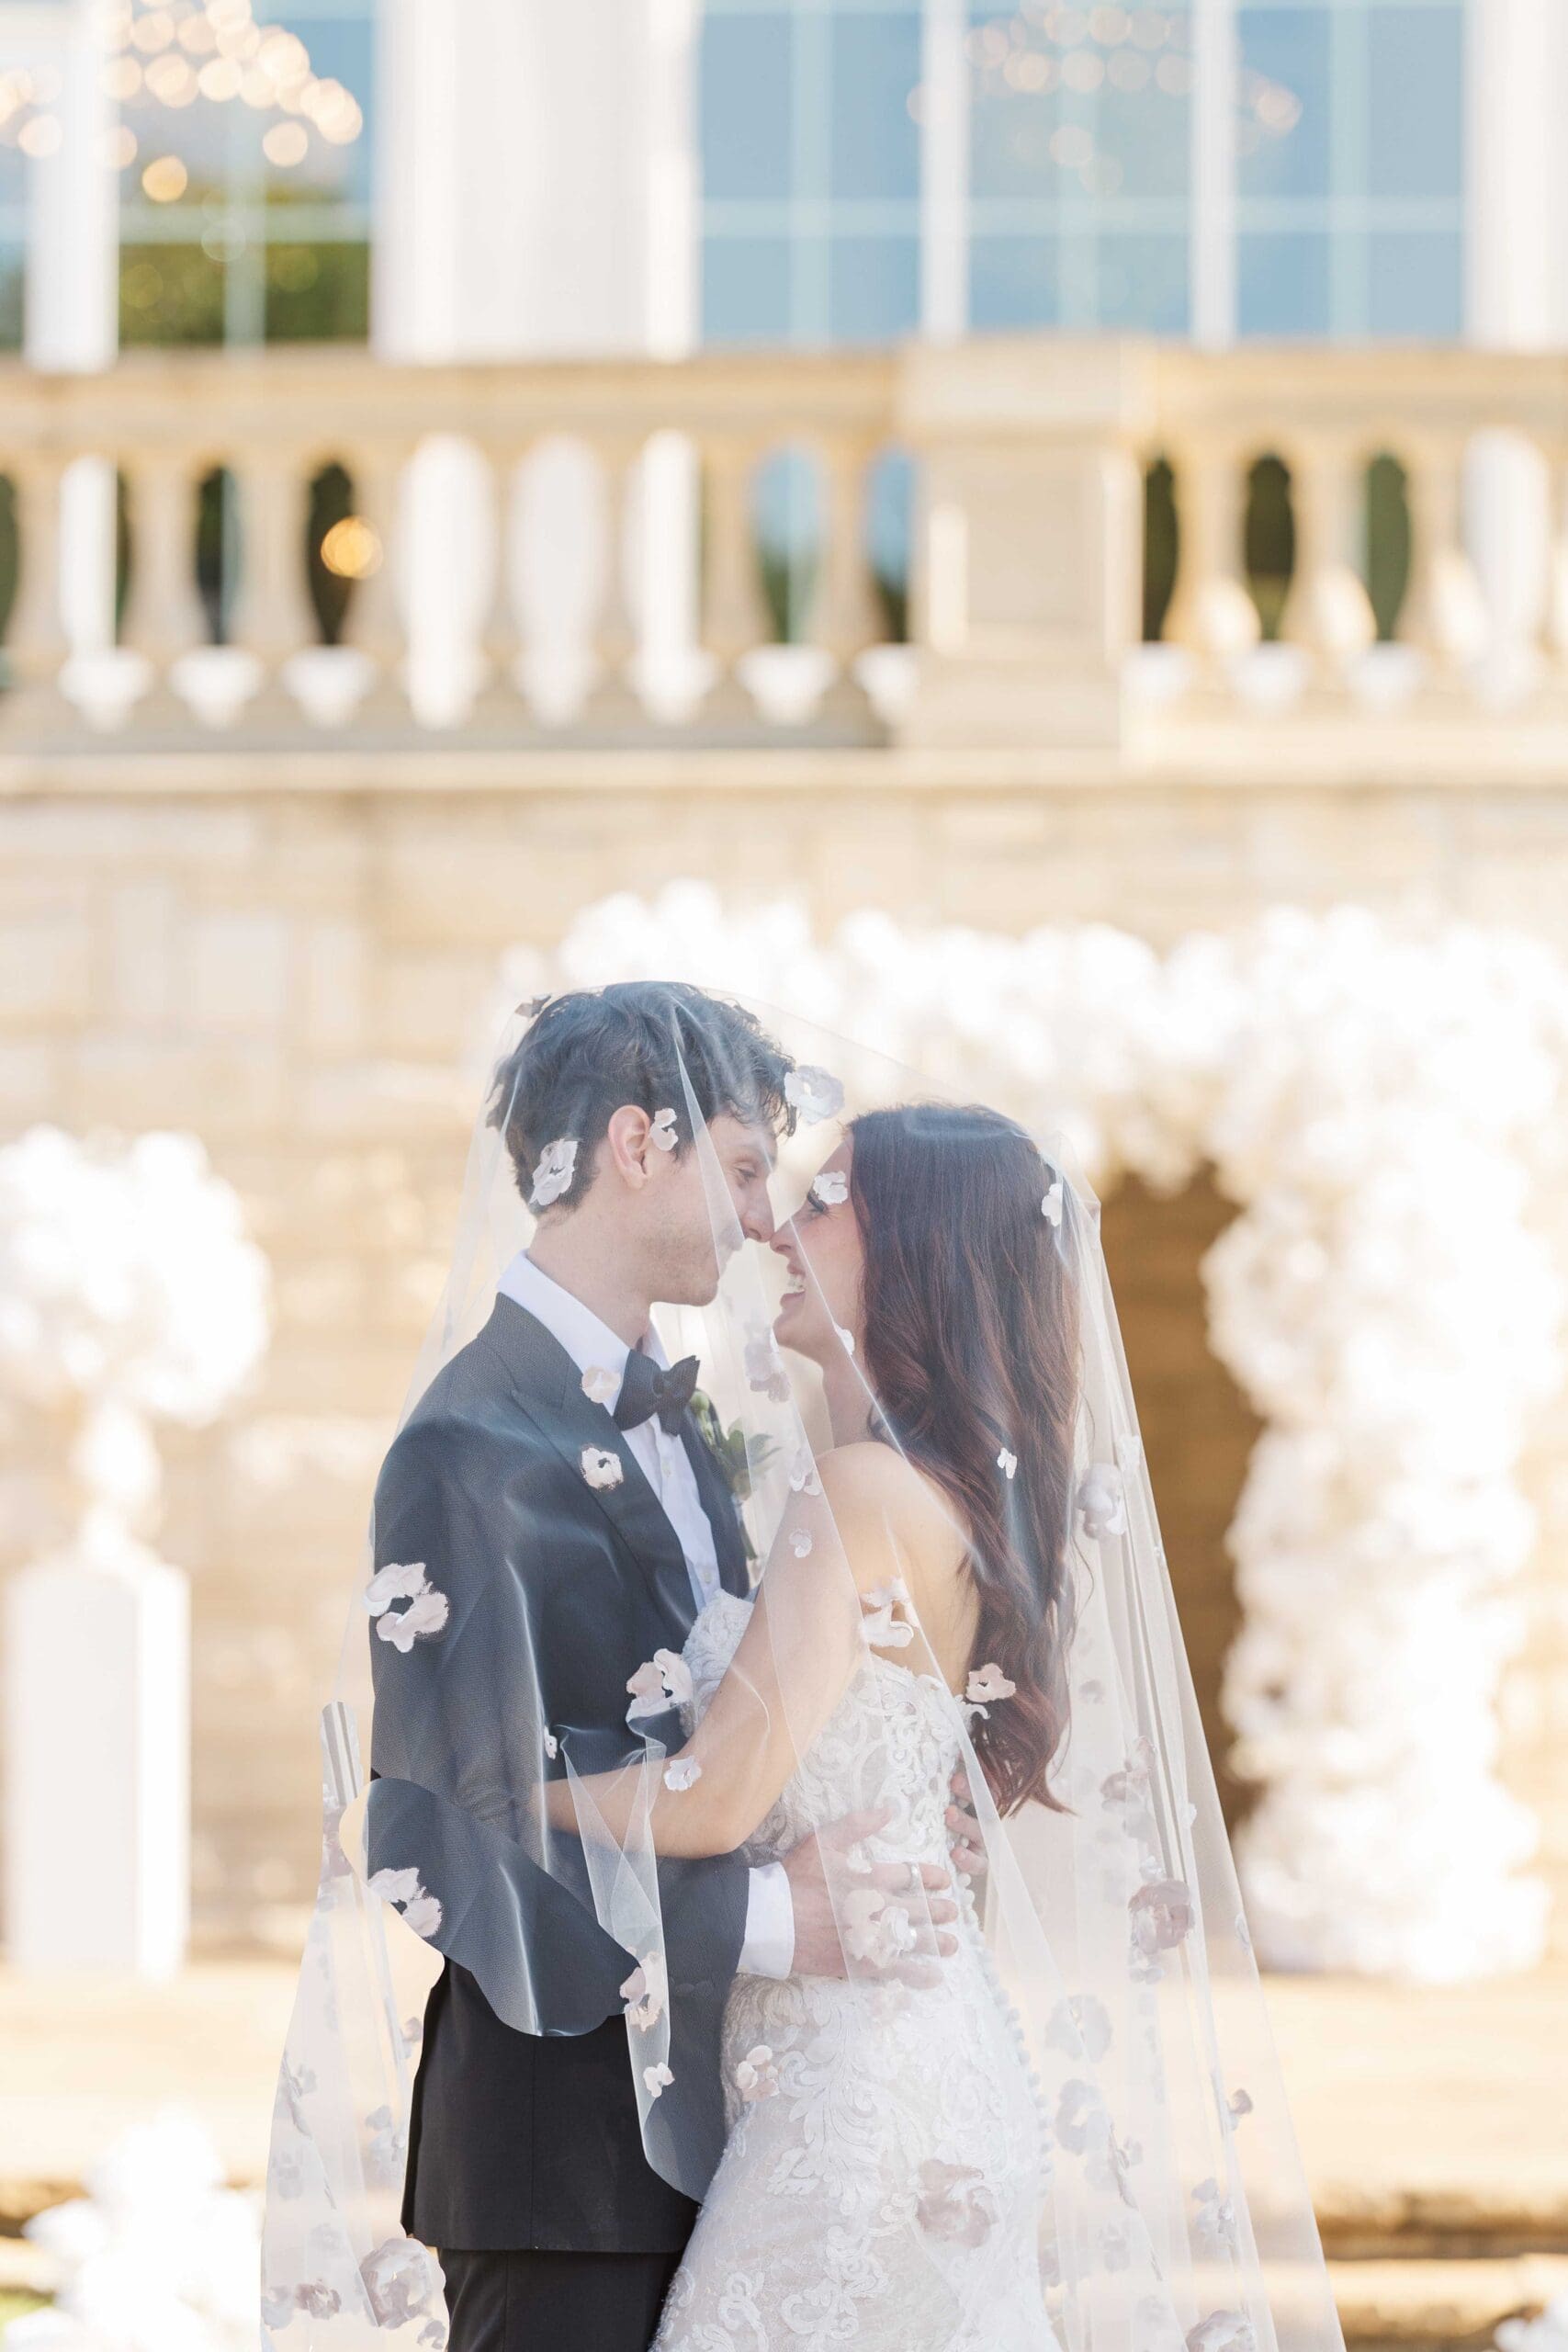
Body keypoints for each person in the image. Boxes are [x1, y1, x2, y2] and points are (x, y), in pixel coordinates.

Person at [362, 987, 962, 2352]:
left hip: (741, 2137)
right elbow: (431, 1835)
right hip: (562, 2163)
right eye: (744, 1169)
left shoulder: (683, 1422)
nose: (762, 1218)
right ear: (638, 1145)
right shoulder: (463, 1450)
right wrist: (774, 1920)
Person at [546, 1103, 1076, 2348]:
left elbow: (714, 1798)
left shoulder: (861, 1492)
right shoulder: (939, 1499)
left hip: (856, 2114)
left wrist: (493, 1790)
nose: (778, 1227)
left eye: (827, 1202)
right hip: (920, 2066)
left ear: (922, 1251)